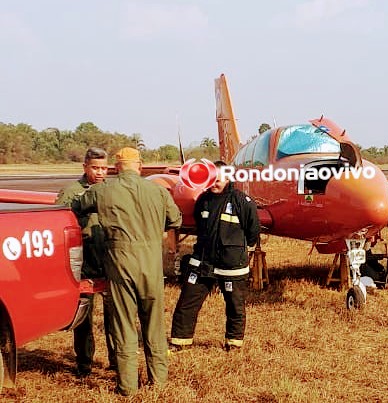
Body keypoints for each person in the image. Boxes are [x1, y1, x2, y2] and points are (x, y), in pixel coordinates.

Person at [73, 147, 182, 396]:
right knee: (153, 324)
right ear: (140, 166)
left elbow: (79, 205)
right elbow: (175, 219)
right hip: (151, 266)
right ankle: (159, 381)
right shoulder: (157, 191)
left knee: (123, 325)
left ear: (116, 168)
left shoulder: (103, 190)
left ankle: (127, 386)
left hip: (120, 266)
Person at [169, 160, 260, 353]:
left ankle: (233, 343)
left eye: (220, 178)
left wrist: (236, 250)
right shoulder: (203, 200)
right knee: (187, 302)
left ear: (229, 177)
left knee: (235, 305)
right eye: (213, 178)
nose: (216, 182)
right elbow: (200, 228)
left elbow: (253, 232)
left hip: (231, 265)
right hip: (202, 262)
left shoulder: (242, 202)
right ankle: (180, 341)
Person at [56, 147, 116, 377]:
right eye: (96, 168)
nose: (101, 173)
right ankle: (84, 364)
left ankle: (116, 360)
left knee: (115, 316)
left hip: (109, 260)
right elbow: (58, 223)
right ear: (85, 167)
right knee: (83, 318)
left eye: (104, 168)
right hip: (83, 263)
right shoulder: (71, 192)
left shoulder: (113, 190)